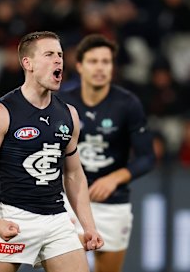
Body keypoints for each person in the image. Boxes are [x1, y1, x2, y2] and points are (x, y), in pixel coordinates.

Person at [0, 31, 103, 272]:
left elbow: (73, 175)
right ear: (27, 63)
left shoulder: (69, 114)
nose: (58, 61)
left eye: (60, 55)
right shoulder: (0, 113)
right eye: (49, 54)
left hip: (57, 220)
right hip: (15, 218)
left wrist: (88, 226)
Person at [58, 34, 155, 272]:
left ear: (113, 67)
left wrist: (114, 178)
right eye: (93, 61)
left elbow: (147, 157)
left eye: (106, 61)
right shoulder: (61, 103)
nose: (100, 67)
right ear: (79, 66)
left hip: (112, 204)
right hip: (68, 201)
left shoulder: (128, 104)